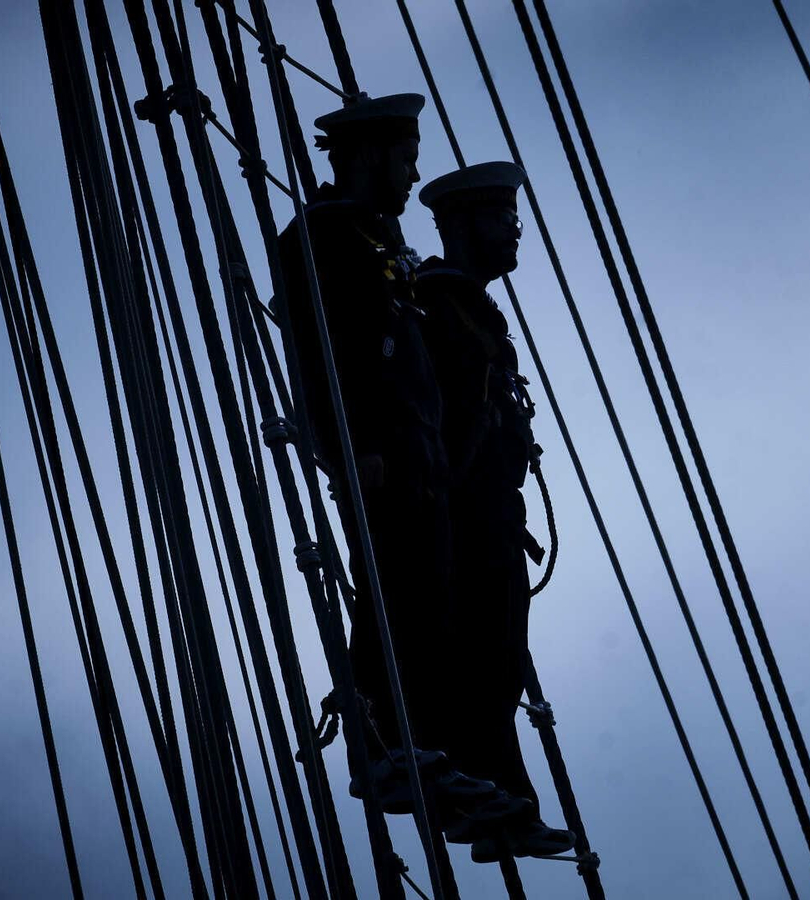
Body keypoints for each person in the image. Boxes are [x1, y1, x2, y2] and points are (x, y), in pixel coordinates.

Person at [275, 93, 503, 822]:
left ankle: (419, 748)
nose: (412, 175)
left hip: (420, 454)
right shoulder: (324, 235)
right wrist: (354, 442)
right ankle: (381, 752)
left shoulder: (378, 242)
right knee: (392, 596)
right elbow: (324, 348)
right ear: (368, 156)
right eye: (405, 159)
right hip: (380, 452)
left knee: (427, 604)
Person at [410, 161, 576, 863]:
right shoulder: (435, 305)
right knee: (479, 661)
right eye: (503, 218)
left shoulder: (469, 311)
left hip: (491, 513)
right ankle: (481, 798)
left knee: (498, 664)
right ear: (464, 224)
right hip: (463, 513)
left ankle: (503, 806)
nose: (516, 231)